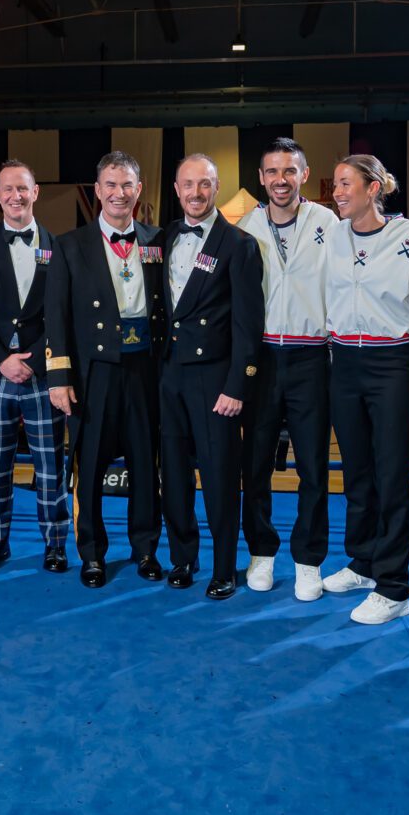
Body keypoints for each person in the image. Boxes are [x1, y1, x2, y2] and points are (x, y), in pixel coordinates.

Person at [46, 151, 167, 588]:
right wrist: (59, 377)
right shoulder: (69, 245)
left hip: (144, 371)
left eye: (127, 185)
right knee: (91, 468)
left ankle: (146, 548)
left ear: (139, 190)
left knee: (143, 464)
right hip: (93, 373)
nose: (119, 193)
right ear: (97, 191)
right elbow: (55, 317)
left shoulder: (157, 240)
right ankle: (93, 553)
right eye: (110, 185)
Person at [324, 155, 409, 625]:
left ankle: (395, 586)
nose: (337, 192)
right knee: (357, 473)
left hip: (390, 363)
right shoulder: (328, 236)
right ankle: (363, 562)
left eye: (346, 183)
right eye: (334, 185)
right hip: (342, 361)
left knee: (393, 475)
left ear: (374, 188)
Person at [236, 138, 338, 600]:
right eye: (272, 172)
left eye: (289, 171)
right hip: (261, 358)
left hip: (311, 355)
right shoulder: (245, 225)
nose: (281, 180)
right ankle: (260, 552)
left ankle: (309, 559)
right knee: (254, 463)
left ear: (303, 173)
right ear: (261, 178)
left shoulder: (327, 222)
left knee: (313, 465)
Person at [159, 154, 263, 597]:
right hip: (168, 376)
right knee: (176, 477)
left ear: (216, 187)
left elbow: (247, 323)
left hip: (215, 380)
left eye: (204, 184)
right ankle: (183, 559)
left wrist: (237, 385)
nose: (196, 193)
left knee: (220, 478)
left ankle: (224, 568)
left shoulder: (239, 244)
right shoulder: (162, 238)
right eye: (188, 184)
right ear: (177, 189)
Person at [0, 160, 68, 574]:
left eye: (22, 188)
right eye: (7, 189)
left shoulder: (59, 247)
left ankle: (55, 545)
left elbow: (62, 314)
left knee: (50, 465)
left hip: (42, 374)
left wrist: (37, 358)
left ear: (35, 191)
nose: (15, 196)